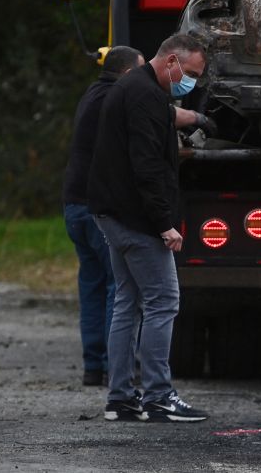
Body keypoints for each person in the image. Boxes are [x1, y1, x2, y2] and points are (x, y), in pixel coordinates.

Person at [89, 34, 210, 423]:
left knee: (128, 303)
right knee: (163, 301)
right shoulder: (144, 96)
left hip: (115, 213)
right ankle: (159, 395)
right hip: (137, 218)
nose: (189, 82)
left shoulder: (134, 88)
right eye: (189, 73)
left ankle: (121, 397)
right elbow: (146, 167)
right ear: (171, 60)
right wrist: (165, 224)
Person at [63, 46, 145, 387]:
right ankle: (119, 368)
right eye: (140, 71)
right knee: (120, 288)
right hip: (97, 209)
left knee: (93, 286)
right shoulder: (116, 99)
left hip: (73, 205)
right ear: (127, 73)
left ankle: (93, 366)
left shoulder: (92, 94)